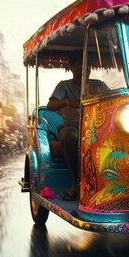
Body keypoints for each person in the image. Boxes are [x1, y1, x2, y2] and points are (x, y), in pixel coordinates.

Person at [47, 53, 108, 200]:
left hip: (96, 128)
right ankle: (76, 185)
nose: (85, 69)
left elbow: (114, 101)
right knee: (70, 137)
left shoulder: (99, 85)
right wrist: (67, 101)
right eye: (81, 64)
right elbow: (50, 105)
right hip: (72, 126)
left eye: (88, 65)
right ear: (72, 67)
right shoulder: (64, 86)